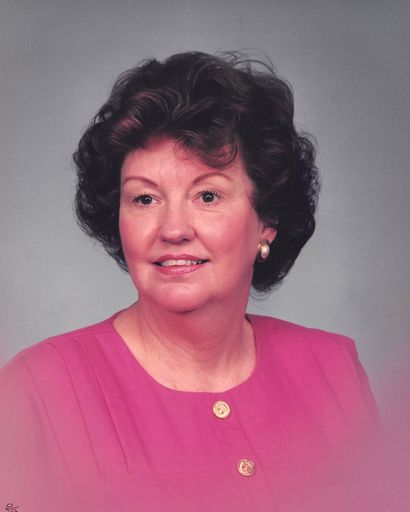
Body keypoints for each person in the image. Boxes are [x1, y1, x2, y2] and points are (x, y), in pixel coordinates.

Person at [0, 51, 379, 511]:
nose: (173, 229)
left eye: (207, 195)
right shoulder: (38, 389)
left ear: (267, 221)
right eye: (144, 199)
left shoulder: (335, 370)